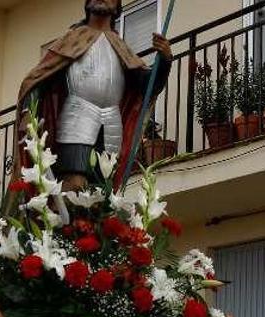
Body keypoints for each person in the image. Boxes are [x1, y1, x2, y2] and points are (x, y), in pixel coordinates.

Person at [11, 0, 172, 193]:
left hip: (112, 123)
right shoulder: (72, 40)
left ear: (117, 6)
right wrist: (29, 111)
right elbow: (38, 80)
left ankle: (93, 223)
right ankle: (73, 223)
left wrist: (164, 60)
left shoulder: (120, 47)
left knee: (104, 189)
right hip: (77, 118)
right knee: (74, 182)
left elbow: (148, 86)